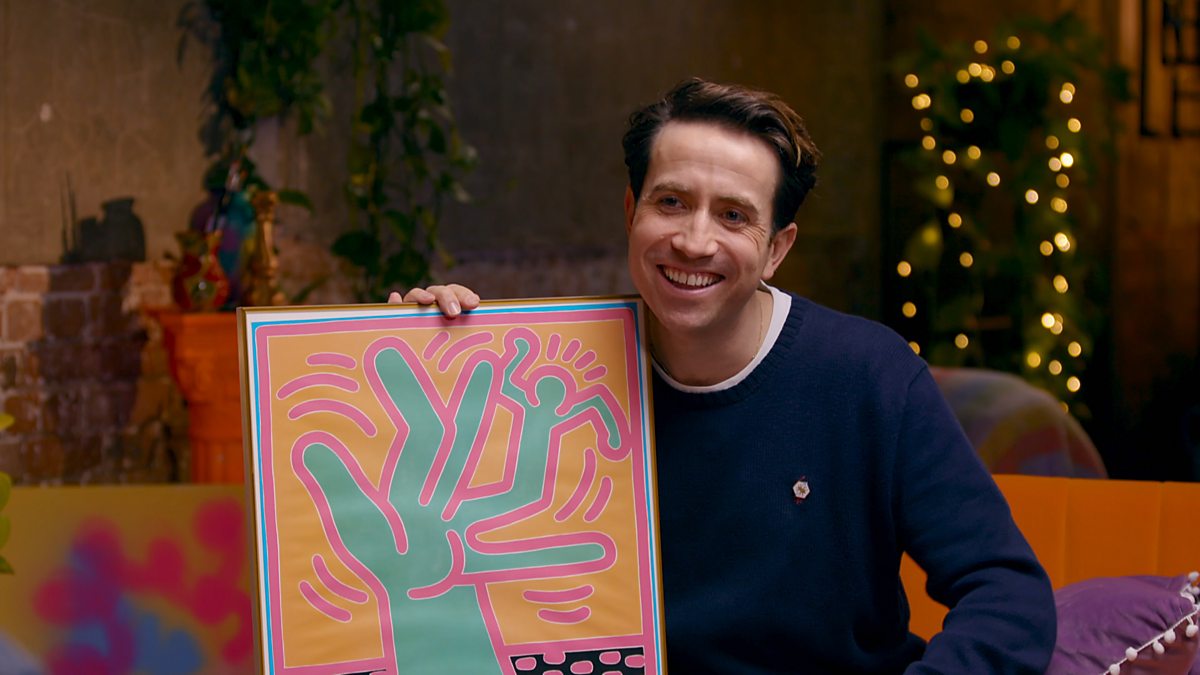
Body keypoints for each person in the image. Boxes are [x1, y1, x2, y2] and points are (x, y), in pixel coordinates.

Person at [391, 78, 1056, 674]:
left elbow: (1007, 592)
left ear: (777, 248)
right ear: (631, 211)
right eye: (671, 202)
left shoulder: (868, 375)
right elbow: (431, 556)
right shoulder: (547, 375)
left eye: (734, 216)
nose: (694, 241)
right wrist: (414, 354)